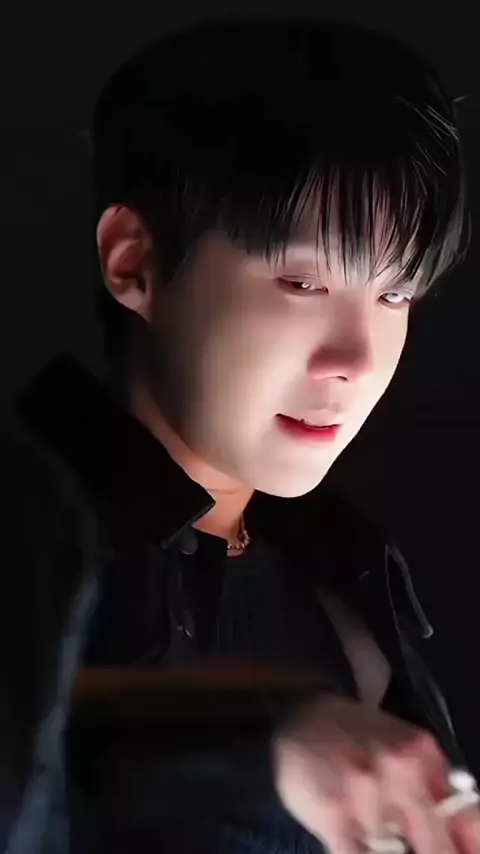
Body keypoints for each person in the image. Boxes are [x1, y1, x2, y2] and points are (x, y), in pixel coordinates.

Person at [1, 15, 478, 854]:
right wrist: (255, 741)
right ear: (135, 262)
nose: (356, 358)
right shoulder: (22, 531)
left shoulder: (347, 590)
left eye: (394, 295)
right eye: (301, 282)